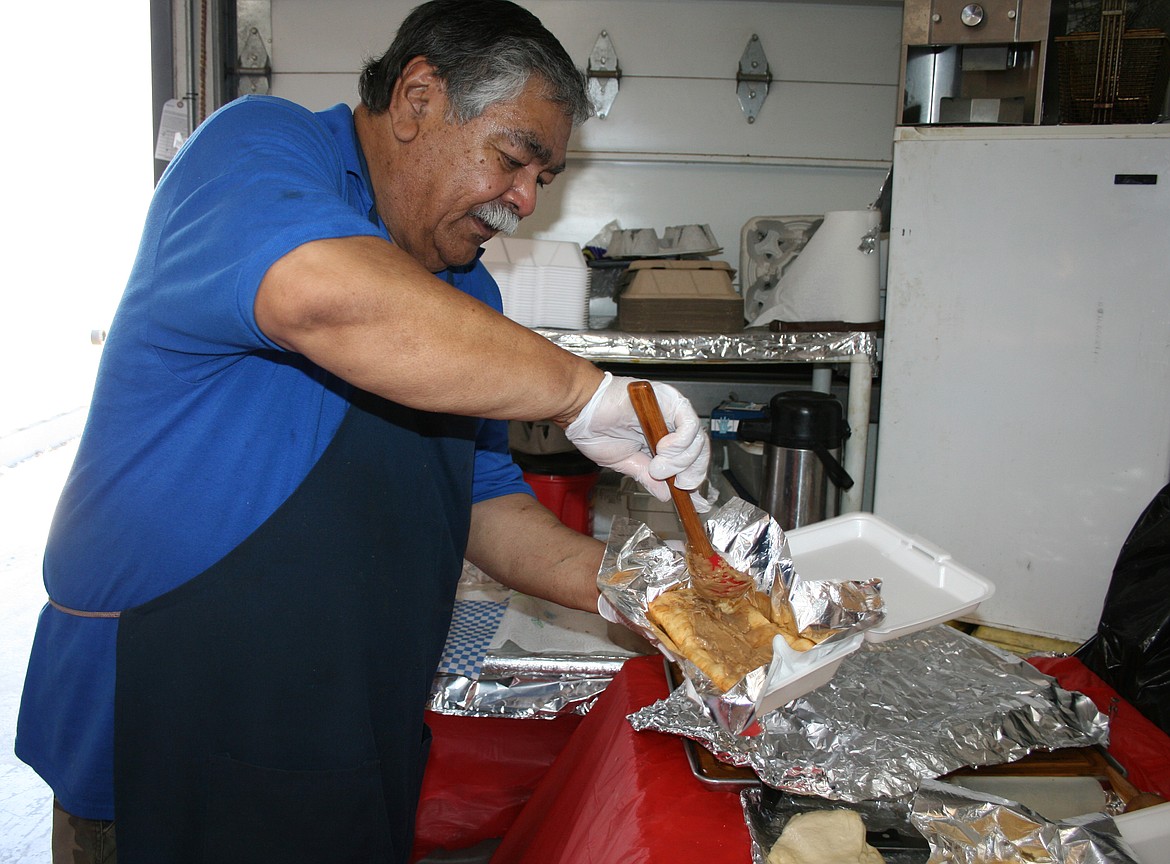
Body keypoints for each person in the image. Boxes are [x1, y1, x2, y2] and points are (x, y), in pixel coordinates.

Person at [15, 2, 711, 862]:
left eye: (546, 179)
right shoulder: (259, 150)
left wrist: (641, 592)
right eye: (512, 159)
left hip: (344, 736)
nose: (526, 201)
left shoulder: (467, 297)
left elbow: (485, 502)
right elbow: (319, 292)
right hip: (170, 717)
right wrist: (581, 392)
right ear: (418, 97)